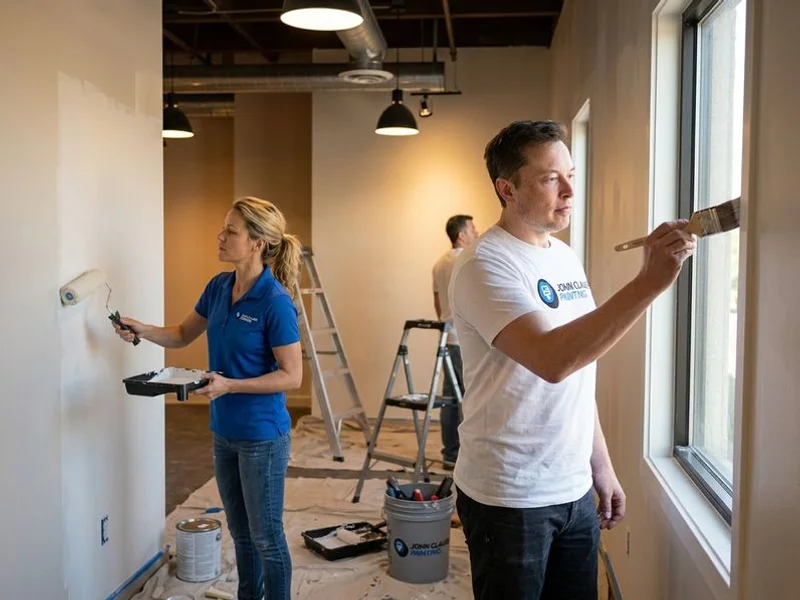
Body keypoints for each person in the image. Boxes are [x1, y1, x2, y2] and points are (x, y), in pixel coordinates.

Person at [448, 120, 697, 600]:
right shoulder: (485, 265)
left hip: (573, 486)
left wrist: (598, 465)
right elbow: (553, 360)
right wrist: (650, 282)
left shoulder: (562, 256)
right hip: (510, 493)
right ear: (507, 188)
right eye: (549, 178)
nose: (567, 190)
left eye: (571, 175)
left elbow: (578, 371)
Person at [112, 196, 303, 600]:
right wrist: (142, 329)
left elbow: (293, 376)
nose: (220, 236)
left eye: (230, 231)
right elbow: (182, 334)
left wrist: (231, 385)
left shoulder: (275, 302)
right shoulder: (218, 287)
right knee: (241, 534)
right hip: (224, 431)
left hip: (262, 436)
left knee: (266, 536)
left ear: (257, 242)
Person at [431, 214, 479, 468]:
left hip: (448, 337)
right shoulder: (468, 260)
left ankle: (450, 452)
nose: (477, 231)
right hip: (464, 340)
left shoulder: (440, 263)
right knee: (468, 396)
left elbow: (437, 302)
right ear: (461, 234)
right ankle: (462, 454)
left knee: (450, 396)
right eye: (472, 228)